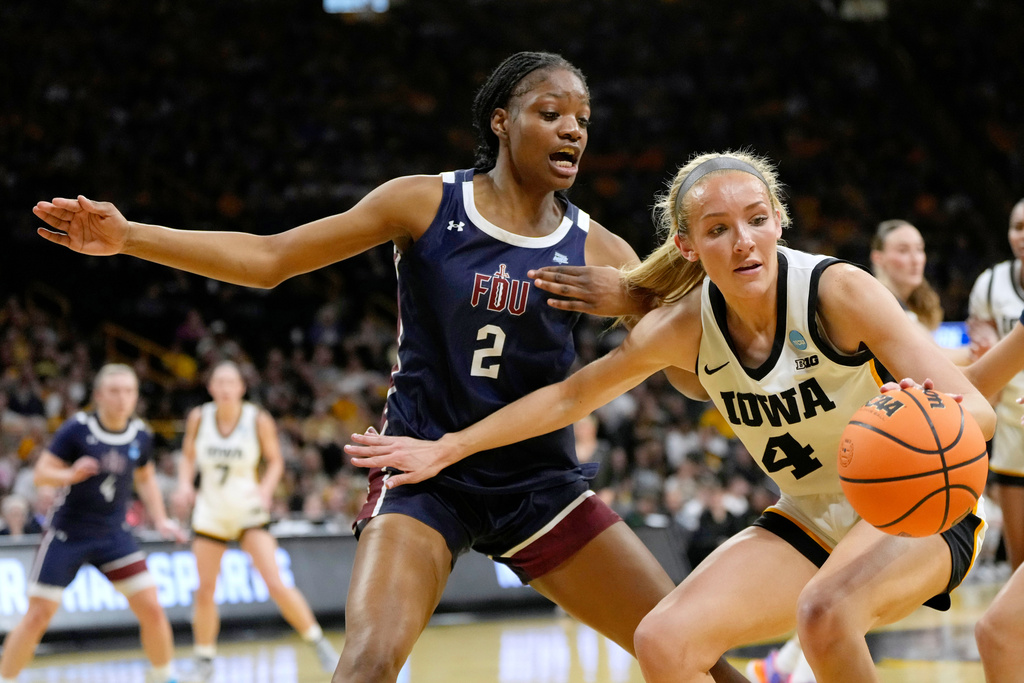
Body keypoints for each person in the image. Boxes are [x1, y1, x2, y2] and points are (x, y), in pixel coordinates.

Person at [31, 52, 745, 683]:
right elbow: (272, 260)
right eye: (551, 112)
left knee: (694, 656)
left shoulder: (602, 248)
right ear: (500, 121)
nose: (573, 130)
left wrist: (634, 296)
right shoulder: (426, 201)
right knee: (368, 663)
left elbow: (685, 374)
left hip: (540, 483)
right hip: (423, 471)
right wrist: (129, 237)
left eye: (583, 119)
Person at [343, 150, 997, 682]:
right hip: (811, 512)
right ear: (687, 244)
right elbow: (572, 397)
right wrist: (447, 446)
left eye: (755, 220)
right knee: (663, 638)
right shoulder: (683, 327)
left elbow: (974, 407)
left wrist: (919, 428)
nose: (742, 241)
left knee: (824, 613)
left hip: (920, 505)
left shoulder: (838, 291)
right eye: (717, 229)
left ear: (779, 222)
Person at [0, 364, 187, 683]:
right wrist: (70, 475)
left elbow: (146, 479)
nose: (122, 398)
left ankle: (164, 676)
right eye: (114, 391)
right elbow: (43, 471)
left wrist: (162, 520)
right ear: (98, 395)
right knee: (37, 616)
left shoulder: (141, 434)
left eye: (129, 391)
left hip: (114, 536)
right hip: (68, 534)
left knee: (152, 608)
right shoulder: (78, 429)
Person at [173, 361, 338, 678]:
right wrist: (183, 485)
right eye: (217, 382)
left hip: (248, 510)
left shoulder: (256, 418)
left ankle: (318, 642)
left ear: (241, 387)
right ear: (210, 388)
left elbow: (275, 461)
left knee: (276, 583)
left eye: (229, 382)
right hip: (210, 511)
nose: (223, 388)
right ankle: (204, 659)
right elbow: (189, 456)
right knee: (204, 590)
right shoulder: (199, 417)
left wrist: (265, 489)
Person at [967, 198, 1024, 572]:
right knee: (1019, 560)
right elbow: (981, 363)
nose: (1023, 236)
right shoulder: (990, 284)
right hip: (1010, 426)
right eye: (1018, 227)